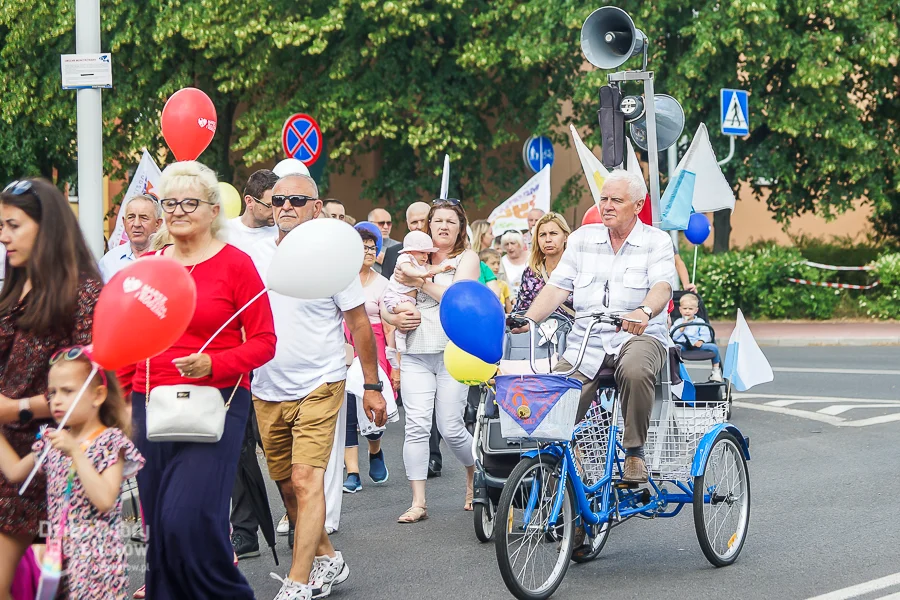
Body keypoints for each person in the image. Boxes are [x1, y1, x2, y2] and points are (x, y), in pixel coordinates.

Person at [124, 160, 277, 599]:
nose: (177, 211)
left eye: (189, 202)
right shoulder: (148, 265)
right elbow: (126, 336)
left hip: (218, 403)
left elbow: (265, 342)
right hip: (148, 404)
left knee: (188, 517)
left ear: (214, 210)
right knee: (157, 523)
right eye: (169, 203)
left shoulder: (236, 264)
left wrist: (215, 365)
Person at [247, 174, 387, 600]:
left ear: (316, 206)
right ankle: (328, 558)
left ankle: (298, 581)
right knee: (287, 486)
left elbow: (360, 324)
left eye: (296, 199)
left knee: (307, 480)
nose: (285, 206)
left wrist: (372, 385)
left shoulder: (333, 258)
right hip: (266, 386)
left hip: (321, 383)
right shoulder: (253, 255)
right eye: (279, 200)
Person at [519, 169, 677, 484]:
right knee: (553, 403)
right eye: (603, 198)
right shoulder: (580, 239)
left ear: (637, 204)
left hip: (640, 336)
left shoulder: (656, 241)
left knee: (634, 369)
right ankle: (566, 480)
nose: (606, 205)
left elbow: (663, 287)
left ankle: (634, 453)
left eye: (616, 200)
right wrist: (527, 319)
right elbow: (556, 289)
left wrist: (644, 311)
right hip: (586, 342)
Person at [0, 179, 102, 595]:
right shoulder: (13, 288)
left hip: (46, 457)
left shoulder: (83, 294)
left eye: (13, 225)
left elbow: (90, 385)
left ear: (47, 228)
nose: (3, 236)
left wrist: (17, 409)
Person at [0, 346, 144, 599]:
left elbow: (105, 500)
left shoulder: (110, 442)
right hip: (60, 558)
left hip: (98, 563)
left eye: (67, 391)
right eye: (52, 392)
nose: (56, 400)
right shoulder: (51, 441)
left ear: (98, 395)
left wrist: (76, 453)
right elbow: (14, 472)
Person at [382, 198, 479, 523]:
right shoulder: (409, 258)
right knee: (417, 426)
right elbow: (389, 299)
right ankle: (418, 502)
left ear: (460, 228)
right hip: (415, 353)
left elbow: (457, 299)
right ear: (428, 225)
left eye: (451, 221)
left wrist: (421, 281)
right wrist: (392, 319)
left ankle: (473, 471)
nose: (444, 226)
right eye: (438, 221)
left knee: (450, 427)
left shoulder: (467, 258)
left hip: (454, 352)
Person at [342, 225, 393, 493]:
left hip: (375, 349)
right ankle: (352, 472)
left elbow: (388, 325)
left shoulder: (383, 284)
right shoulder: (339, 279)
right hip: (345, 346)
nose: (369, 251)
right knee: (348, 409)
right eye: (363, 246)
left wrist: (395, 363)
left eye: (372, 247)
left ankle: (375, 449)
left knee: (372, 406)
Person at [383, 231, 452, 352]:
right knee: (414, 314)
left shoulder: (421, 264)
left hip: (407, 299)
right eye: (422, 252)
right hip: (396, 297)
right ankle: (399, 337)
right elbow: (407, 270)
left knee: (409, 316)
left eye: (427, 253)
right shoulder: (405, 258)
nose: (425, 257)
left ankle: (391, 349)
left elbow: (430, 268)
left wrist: (441, 268)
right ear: (409, 251)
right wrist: (421, 275)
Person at [513, 212, 574, 317]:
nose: (548, 239)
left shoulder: (577, 270)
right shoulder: (531, 272)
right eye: (542, 235)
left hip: (572, 331)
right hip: (538, 331)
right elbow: (521, 310)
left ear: (565, 237)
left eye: (553, 233)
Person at [98, 193, 162, 282]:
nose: (136, 224)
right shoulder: (109, 261)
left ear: (157, 224)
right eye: (131, 217)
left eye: (144, 218)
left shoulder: (167, 258)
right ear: (124, 222)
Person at [672, 293, 722, 382]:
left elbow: (706, 334)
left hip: (697, 345)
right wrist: (681, 329)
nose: (687, 311)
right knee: (675, 350)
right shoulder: (678, 322)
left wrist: (701, 340)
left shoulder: (699, 321)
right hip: (683, 345)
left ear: (695, 310)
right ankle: (678, 374)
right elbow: (673, 336)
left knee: (713, 347)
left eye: (690, 309)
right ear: (680, 310)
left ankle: (716, 371)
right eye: (685, 309)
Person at [227, 169, 279, 253]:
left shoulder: (281, 233)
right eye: (269, 205)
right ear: (249, 201)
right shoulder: (225, 232)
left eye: (279, 203)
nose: (276, 210)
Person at [368, 208, 401, 275]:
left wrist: (386, 262)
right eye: (381, 223)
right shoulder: (361, 245)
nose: (386, 227)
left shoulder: (399, 247)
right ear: (370, 224)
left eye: (389, 223)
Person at [479, 249, 512, 313]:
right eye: (493, 263)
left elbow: (509, 309)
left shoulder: (503, 284)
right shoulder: (481, 285)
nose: (496, 267)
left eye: (498, 263)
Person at [500, 230, 529, 300]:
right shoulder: (502, 262)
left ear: (520, 243)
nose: (509, 247)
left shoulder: (531, 257)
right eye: (506, 244)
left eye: (513, 243)